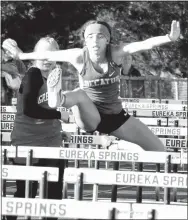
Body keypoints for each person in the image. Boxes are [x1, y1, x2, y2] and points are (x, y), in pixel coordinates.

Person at [3, 20, 180, 152]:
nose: (95, 42)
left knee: (159, 151)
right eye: (90, 37)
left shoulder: (116, 52)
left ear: (108, 40)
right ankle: (56, 97)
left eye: (100, 37)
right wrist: (21, 55)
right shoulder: (78, 56)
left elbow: (143, 45)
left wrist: (169, 37)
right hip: (89, 115)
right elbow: (48, 55)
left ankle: (165, 190)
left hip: (115, 116)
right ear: (85, 42)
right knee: (80, 94)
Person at [5, 37, 69, 220]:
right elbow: (29, 109)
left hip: (52, 142)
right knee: (25, 196)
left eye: (51, 54)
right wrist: (59, 116)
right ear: (34, 55)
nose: (46, 59)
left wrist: (57, 127)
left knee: (53, 197)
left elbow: (46, 108)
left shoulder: (55, 75)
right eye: (42, 54)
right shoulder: (33, 73)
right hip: (28, 144)